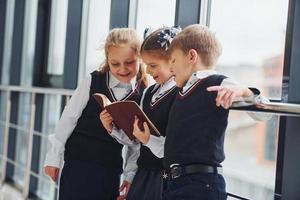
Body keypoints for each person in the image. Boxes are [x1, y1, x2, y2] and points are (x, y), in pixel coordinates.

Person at [134, 24, 270, 200]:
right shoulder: (180, 94)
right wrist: (147, 139)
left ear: (191, 56)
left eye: (173, 60)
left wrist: (244, 92)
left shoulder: (217, 83)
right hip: (173, 184)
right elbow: (172, 150)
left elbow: (265, 114)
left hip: (201, 186)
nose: (172, 68)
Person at [43, 28, 147, 200]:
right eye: (115, 64)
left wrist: (130, 177)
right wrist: (53, 158)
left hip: (110, 169)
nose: (122, 69)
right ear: (107, 59)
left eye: (129, 62)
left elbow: (136, 145)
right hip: (77, 163)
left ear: (140, 59)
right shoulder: (93, 81)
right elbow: (68, 119)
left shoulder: (143, 94)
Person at [100, 26, 181, 200]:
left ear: (173, 61)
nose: (149, 72)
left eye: (153, 66)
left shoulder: (180, 94)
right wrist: (112, 128)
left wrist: (147, 139)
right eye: (147, 66)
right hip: (143, 174)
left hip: (164, 178)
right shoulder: (149, 93)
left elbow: (177, 147)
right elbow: (136, 142)